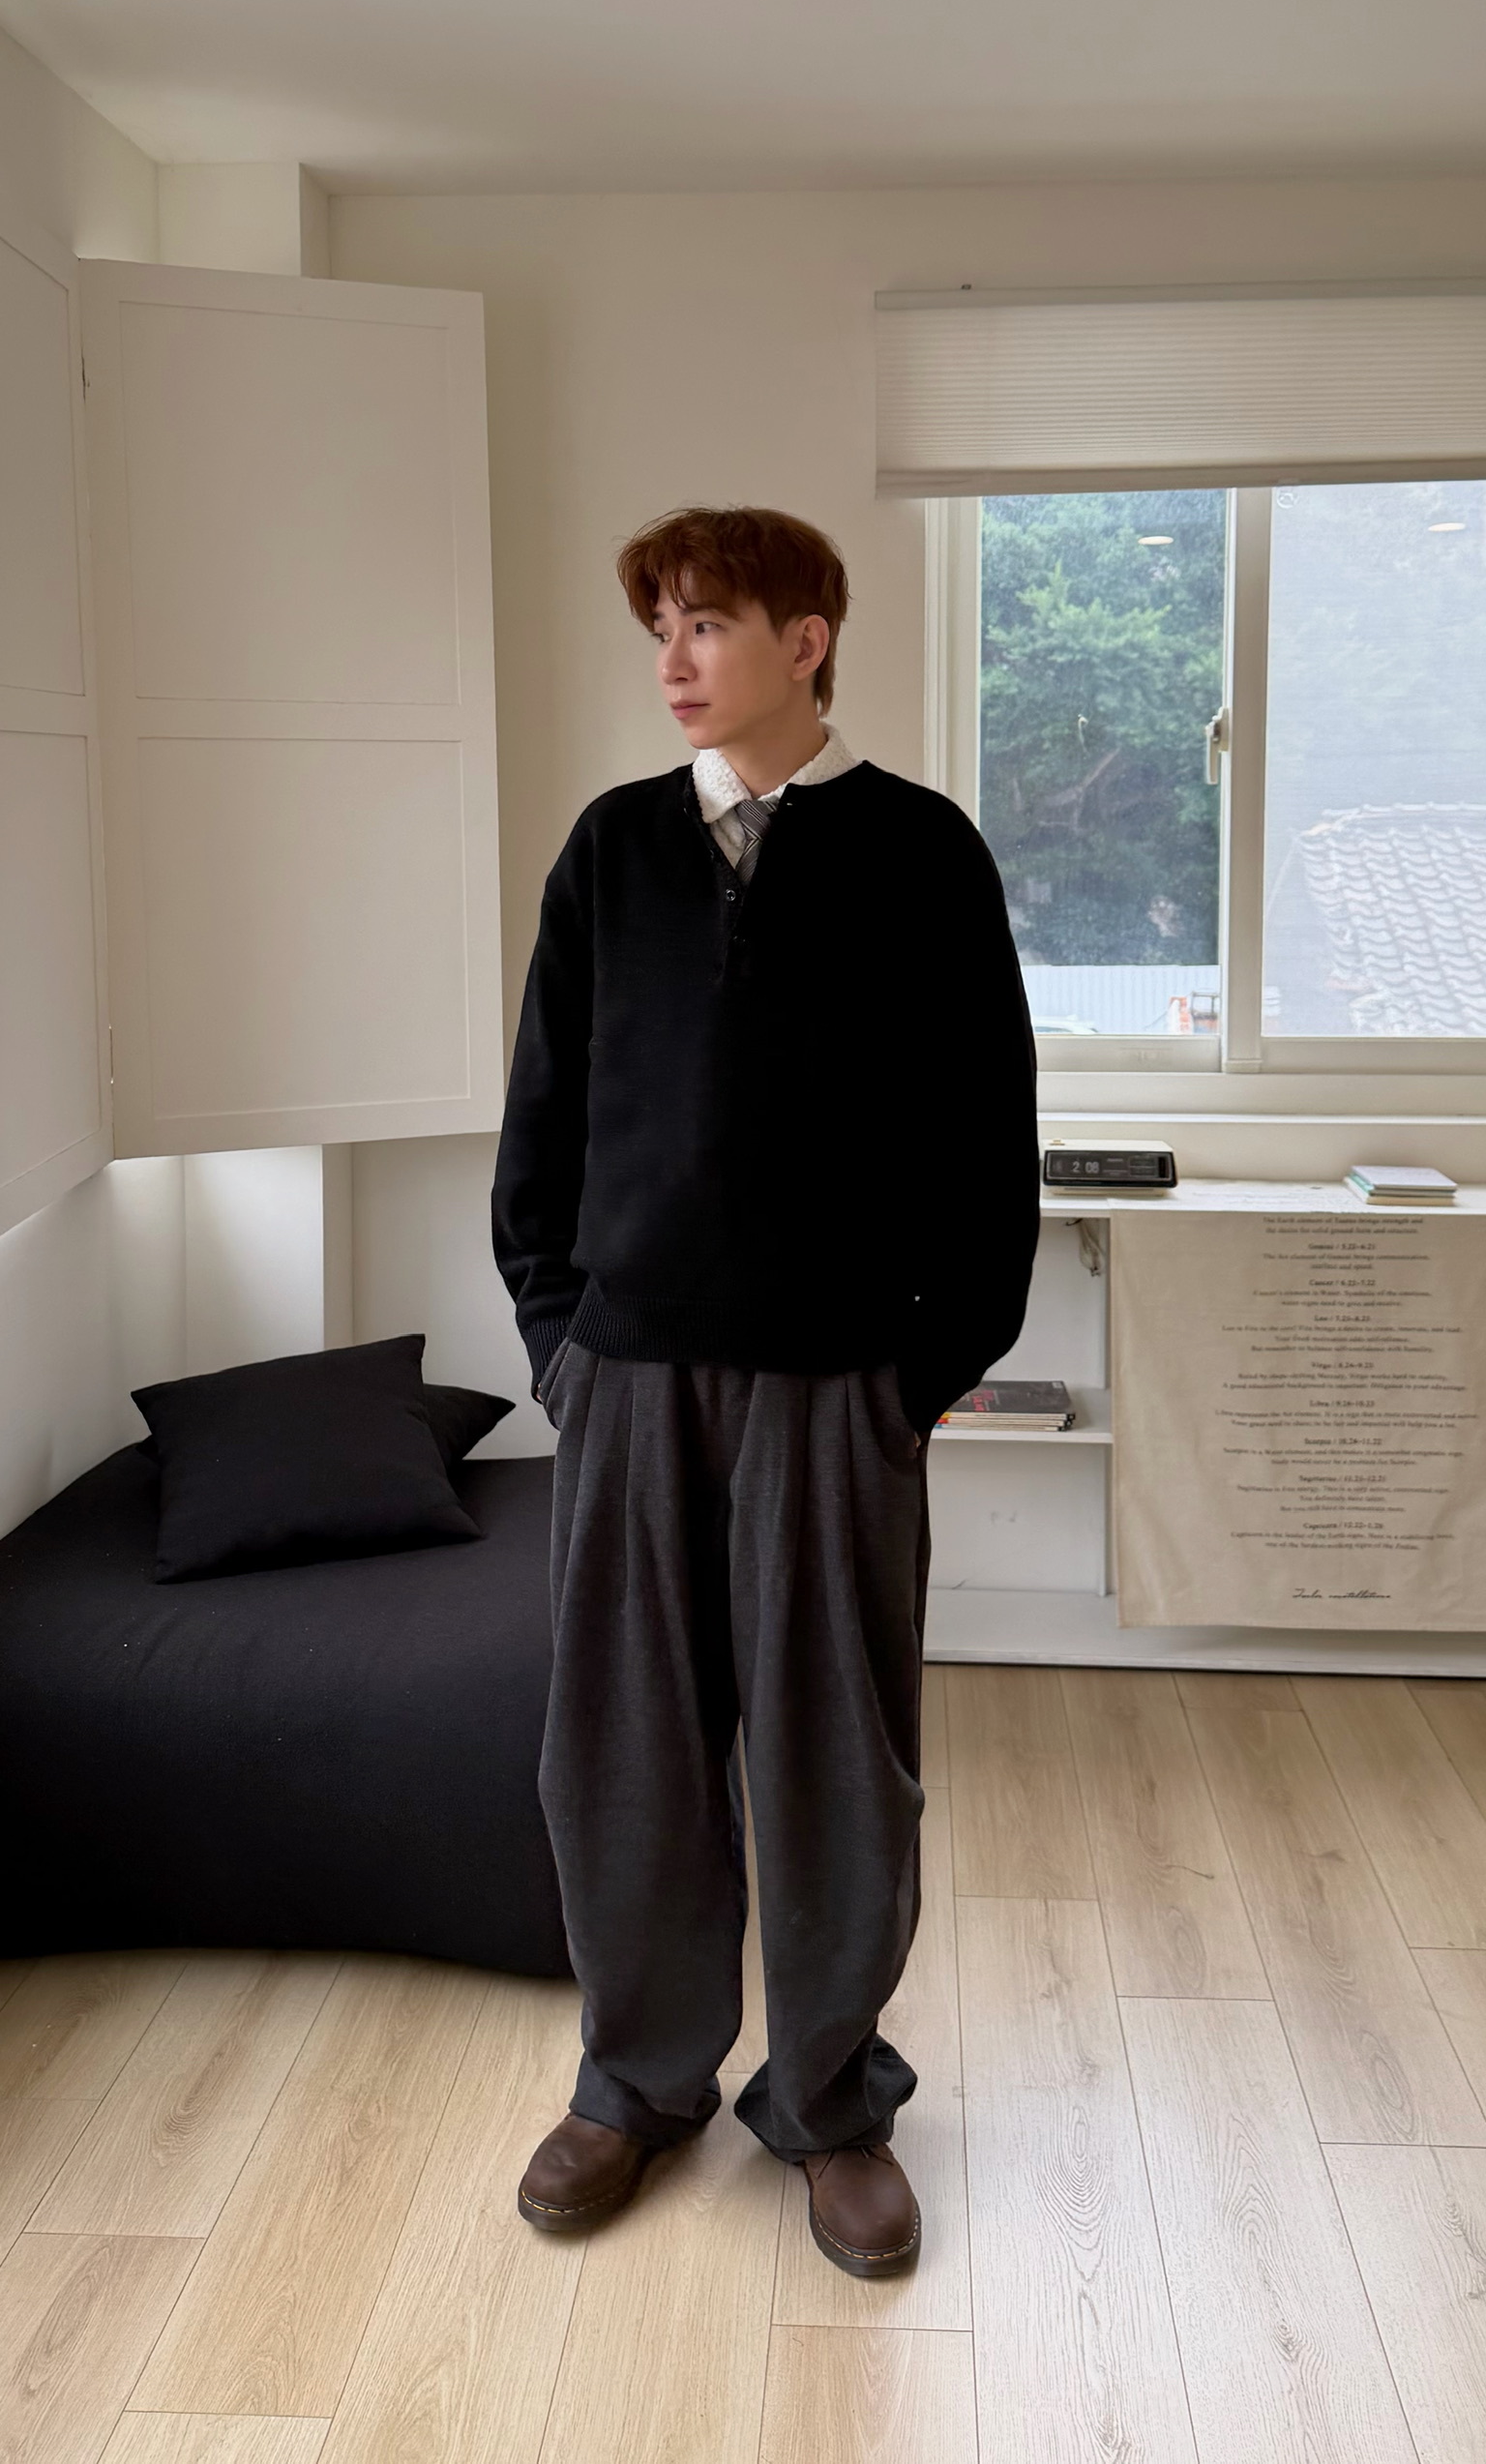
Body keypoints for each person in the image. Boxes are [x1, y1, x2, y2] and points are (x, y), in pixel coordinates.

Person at [490, 503, 1039, 2277]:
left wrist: (918, 1376)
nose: (671, 657)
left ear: (807, 639)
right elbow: (541, 1125)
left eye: (706, 622)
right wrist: (563, 1348)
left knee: (838, 1767)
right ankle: (634, 2081)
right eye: (658, 623)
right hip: (630, 1383)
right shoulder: (610, 851)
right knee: (621, 1756)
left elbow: (989, 1145)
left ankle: (827, 2098)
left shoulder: (925, 854)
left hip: (839, 1392)